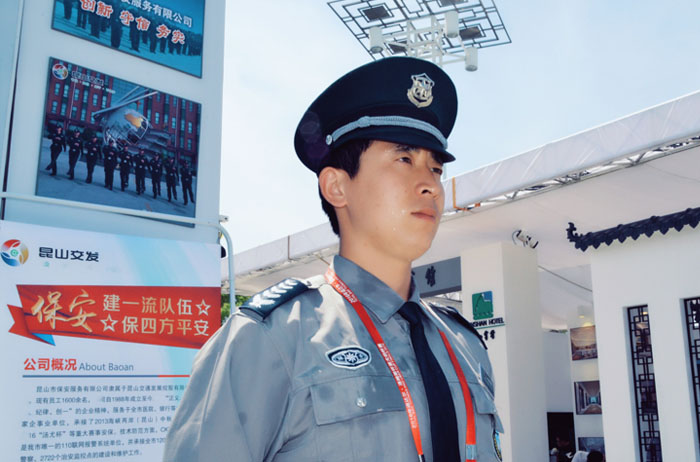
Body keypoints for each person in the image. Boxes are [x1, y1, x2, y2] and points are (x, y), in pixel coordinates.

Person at [163, 57, 503, 462]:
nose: (430, 185)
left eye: (435, 168)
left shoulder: (464, 344)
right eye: (405, 159)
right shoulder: (270, 340)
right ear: (337, 187)